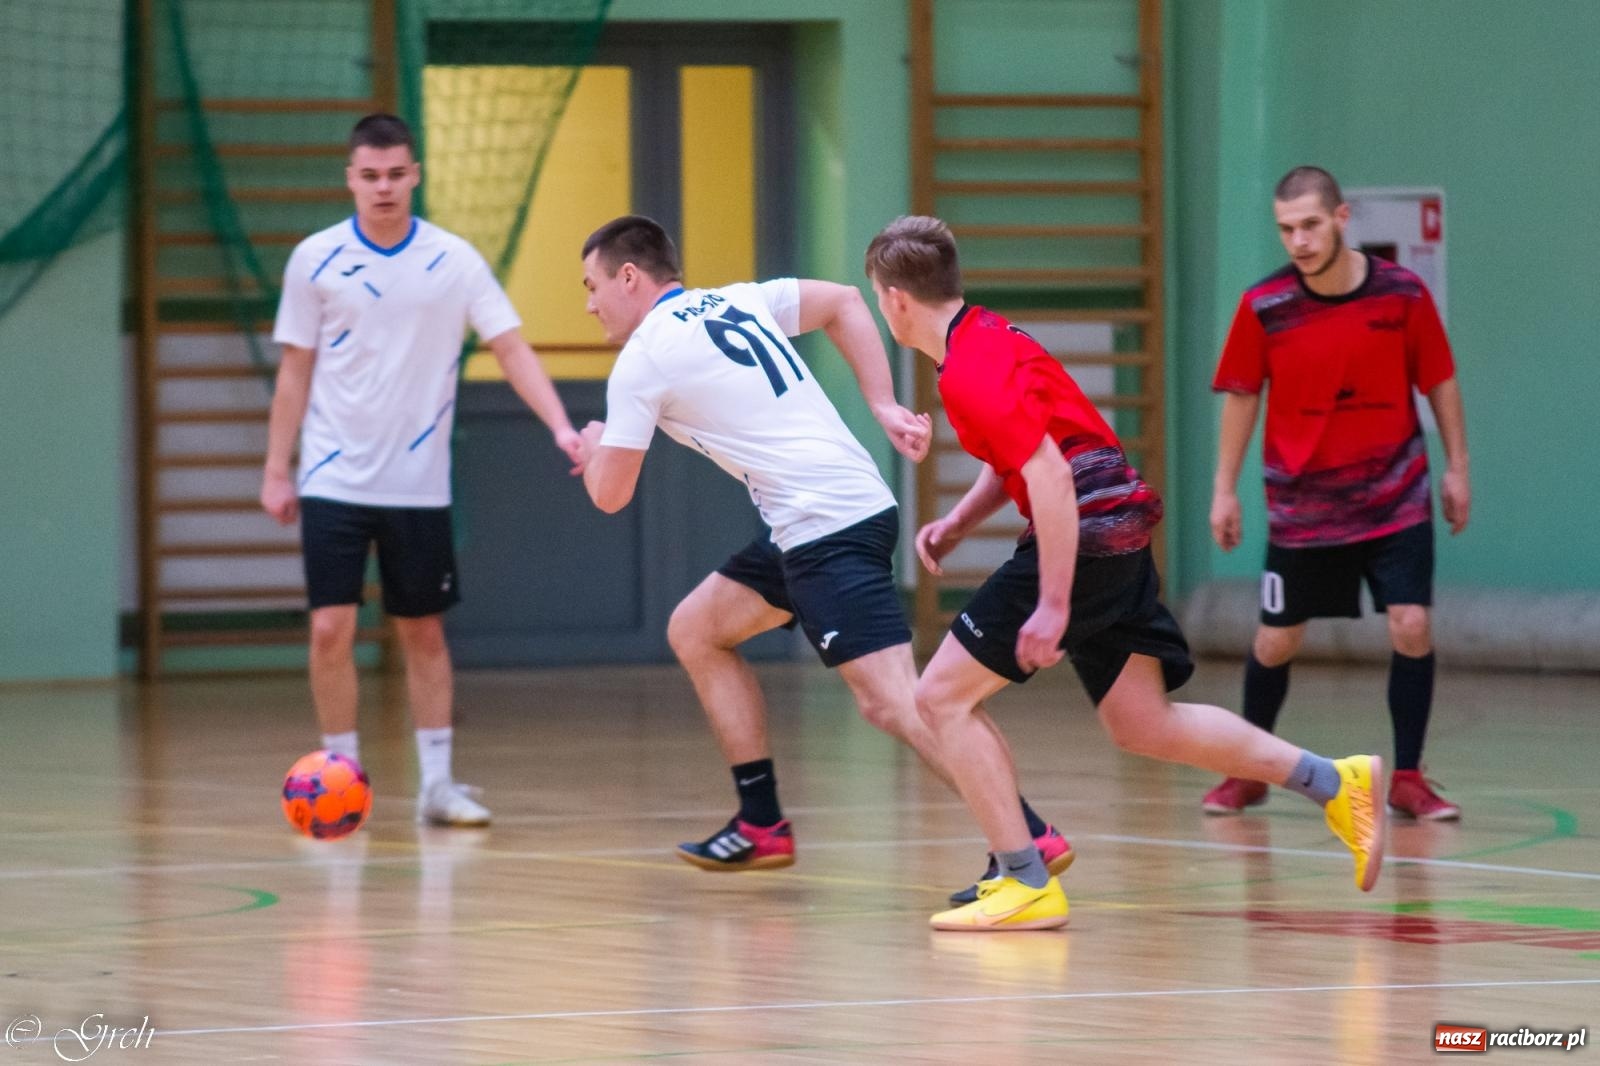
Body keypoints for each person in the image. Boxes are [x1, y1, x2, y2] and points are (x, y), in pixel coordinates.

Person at [865, 214, 1387, 932]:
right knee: (1144, 722)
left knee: (939, 698)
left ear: (894, 300)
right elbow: (1025, 451)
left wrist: (1052, 602)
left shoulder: (970, 370)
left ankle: (1024, 876)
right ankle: (1335, 781)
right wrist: (959, 522)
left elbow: (1048, 474)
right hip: (1120, 525)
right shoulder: (990, 334)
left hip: (1087, 531)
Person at [572, 215, 1073, 895]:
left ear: (628, 277)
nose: (590, 302)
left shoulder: (642, 360)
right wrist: (883, 404)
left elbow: (609, 494)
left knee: (900, 703)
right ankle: (760, 823)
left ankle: (1027, 835)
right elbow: (843, 298)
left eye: (592, 285)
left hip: (824, 525)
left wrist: (596, 442)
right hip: (819, 513)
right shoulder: (736, 299)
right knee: (697, 629)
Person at [262, 113, 582, 827]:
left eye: (395, 174)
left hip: (417, 484)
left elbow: (511, 348)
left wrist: (561, 427)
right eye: (369, 175)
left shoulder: (455, 262)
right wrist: (275, 470)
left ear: (415, 175)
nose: (383, 187)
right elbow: (295, 372)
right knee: (328, 629)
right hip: (332, 476)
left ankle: (438, 784)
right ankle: (339, 773)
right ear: (351, 178)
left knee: (423, 632)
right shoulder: (314, 259)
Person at [1202, 166, 1470, 821]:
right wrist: (1223, 489)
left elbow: (1439, 379)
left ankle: (1407, 776)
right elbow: (1241, 394)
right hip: (1303, 508)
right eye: (1286, 229)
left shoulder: (1402, 295)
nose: (1298, 240)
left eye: (1310, 225)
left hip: (1396, 496)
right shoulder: (1263, 304)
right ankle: (1250, 769)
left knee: (1411, 626)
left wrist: (1457, 466)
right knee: (1276, 643)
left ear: (1342, 219)